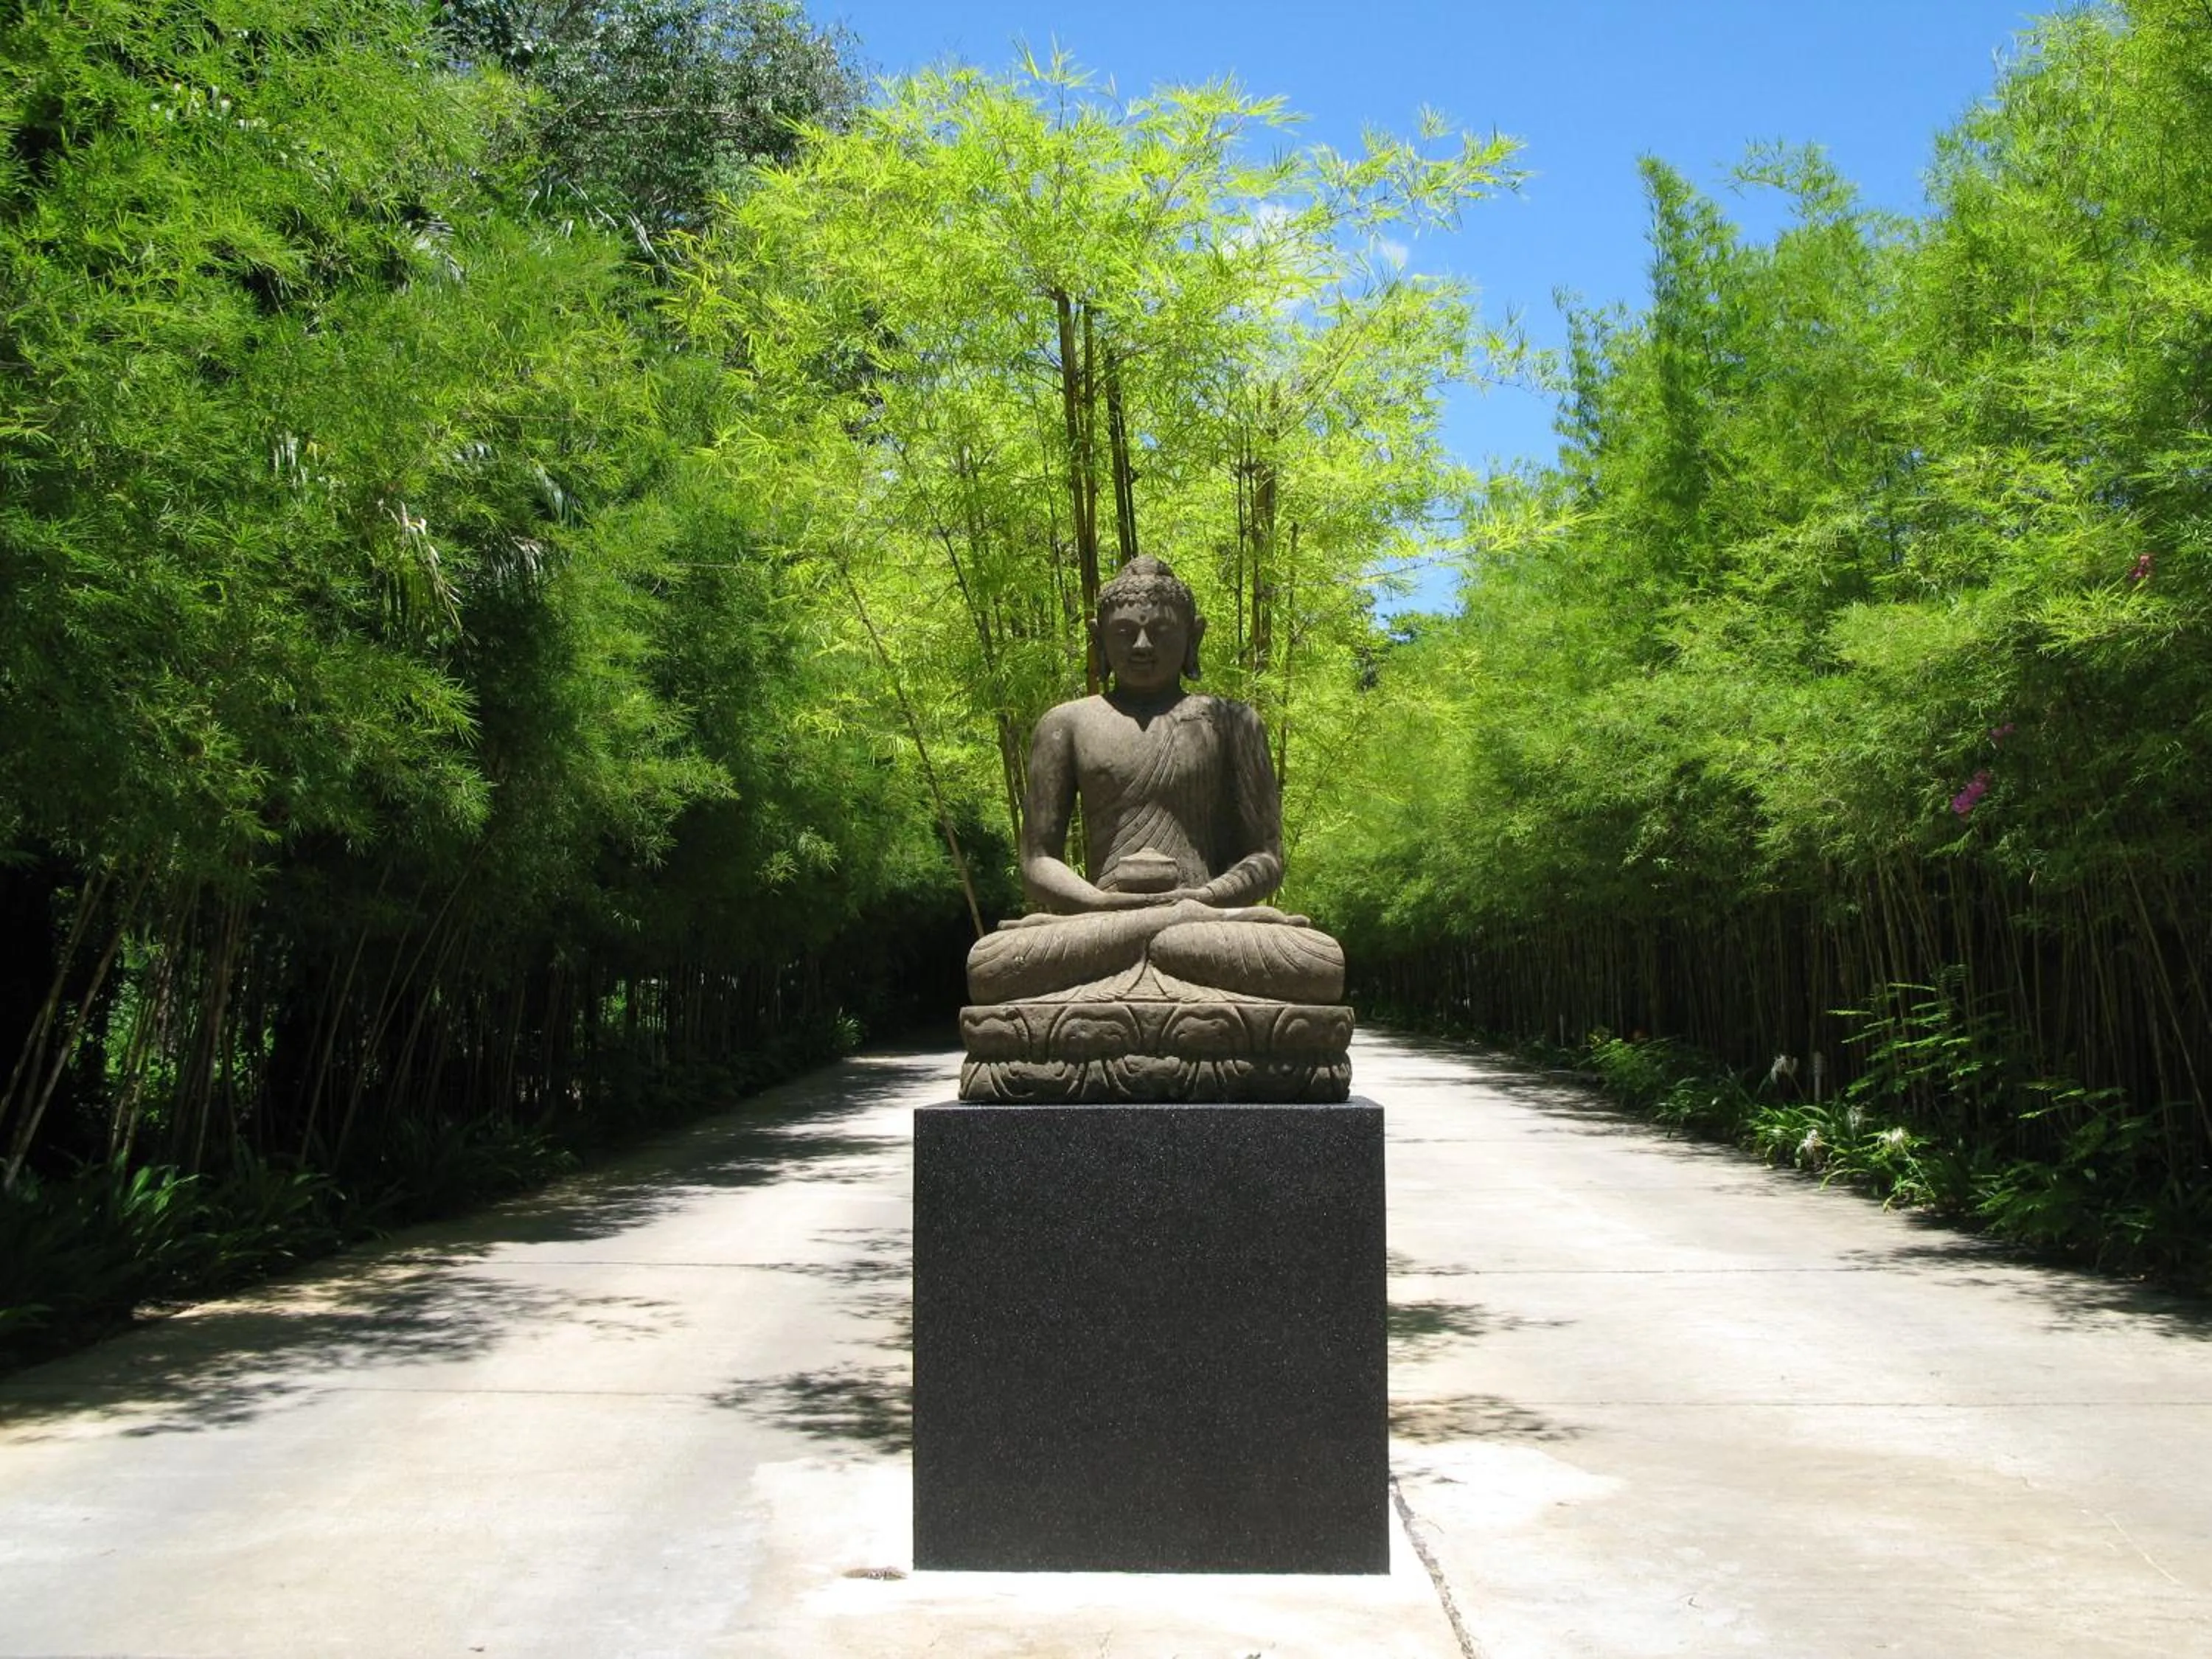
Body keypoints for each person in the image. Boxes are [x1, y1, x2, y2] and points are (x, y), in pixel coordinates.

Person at [965, 556, 1344, 1006]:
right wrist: (1099, 904)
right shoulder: (1065, 724)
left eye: (1161, 632)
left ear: (1193, 636)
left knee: (1316, 960)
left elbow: (1265, 858)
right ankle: (1163, 954)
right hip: (1102, 921)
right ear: (1098, 640)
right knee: (993, 962)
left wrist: (1202, 898)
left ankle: (1146, 955)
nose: (1142, 646)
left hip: (1202, 920)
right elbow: (1038, 861)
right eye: (1125, 633)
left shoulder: (1233, 722)